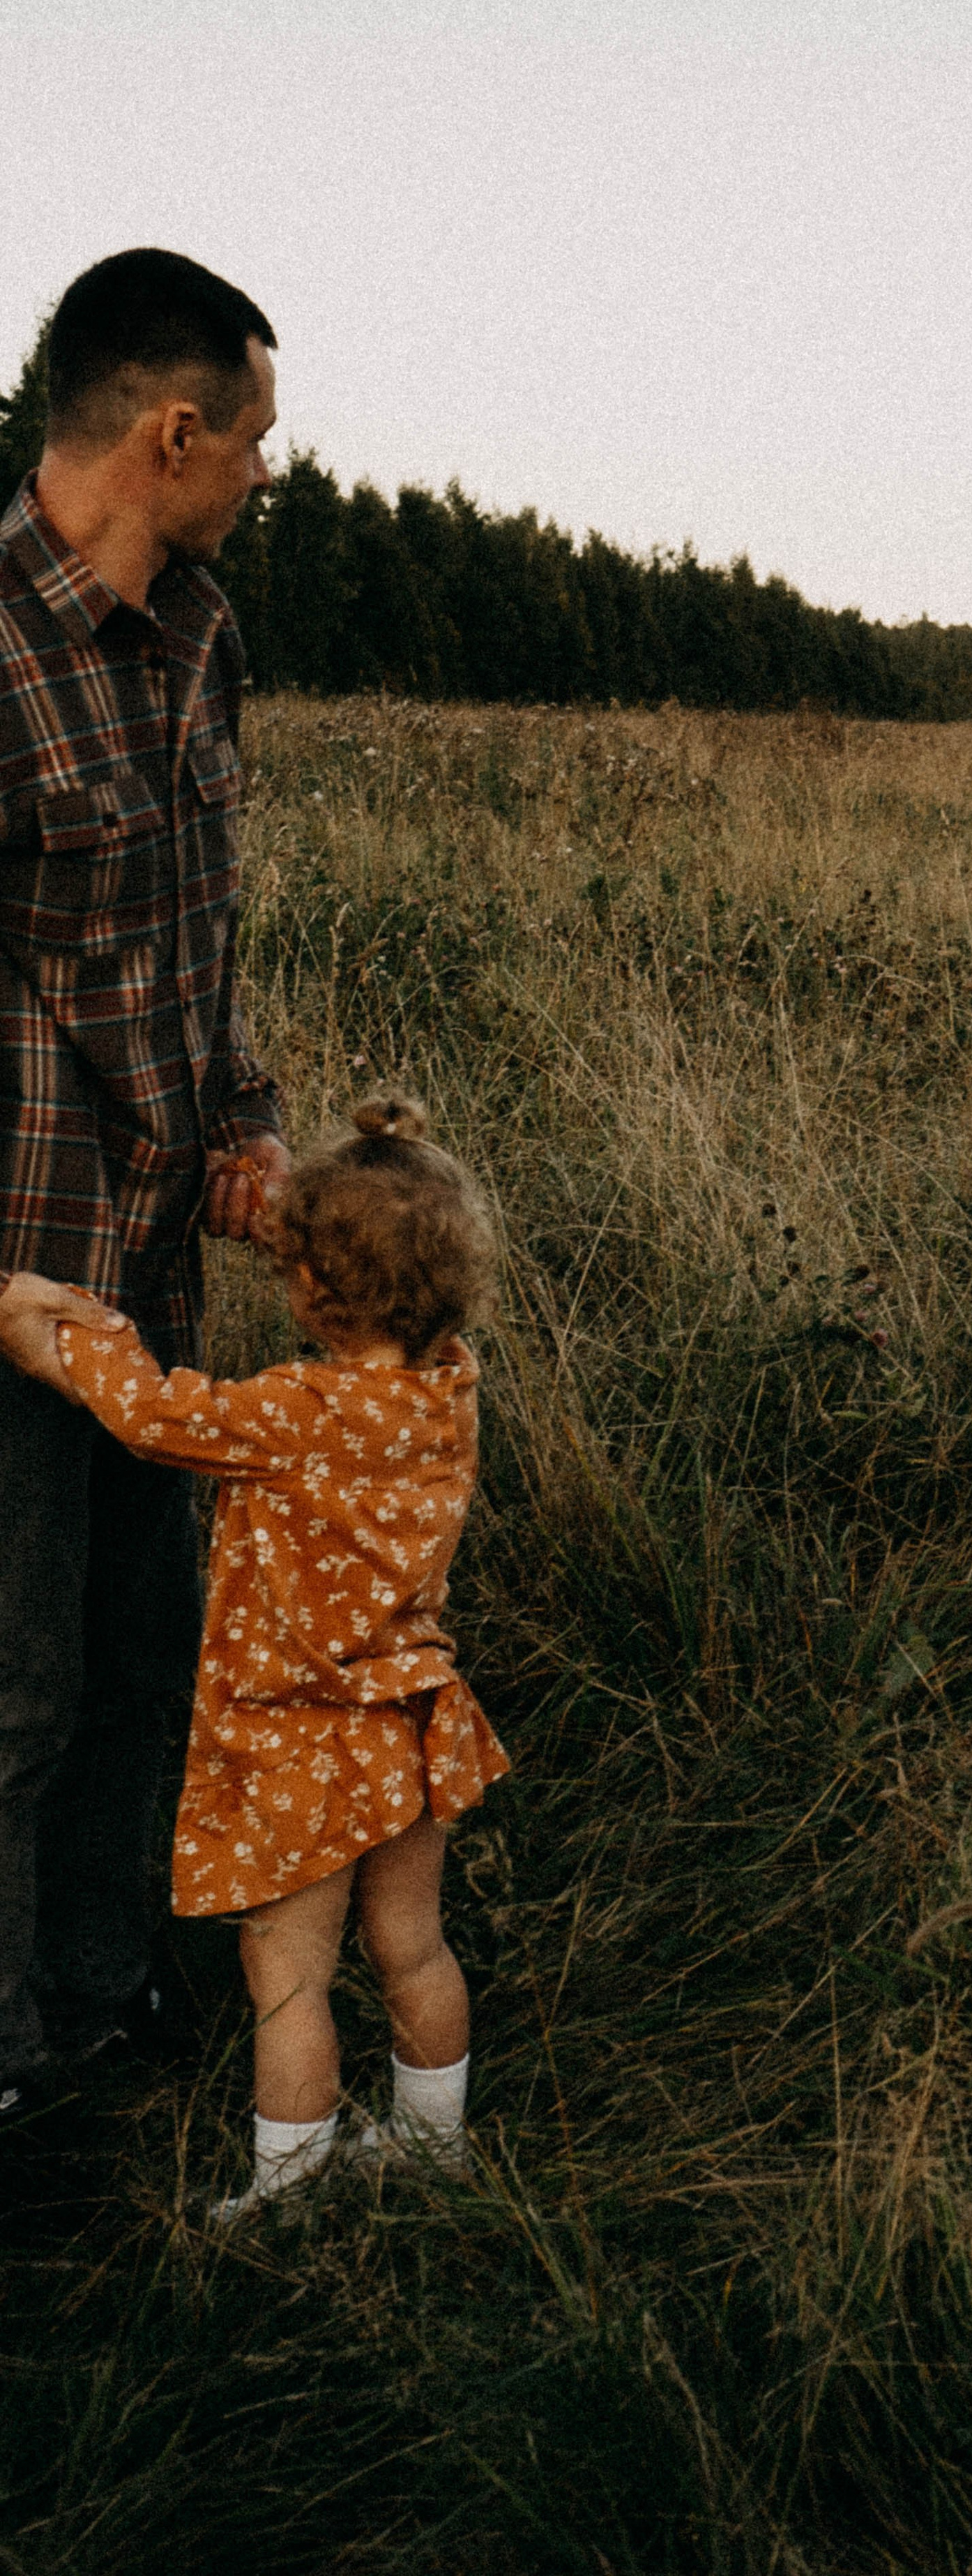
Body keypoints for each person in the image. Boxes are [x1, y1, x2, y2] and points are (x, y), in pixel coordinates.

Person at [0, 1095, 511, 2216]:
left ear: (316, 1291)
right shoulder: (450, 1391)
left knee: (288, 1980)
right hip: (412, 1718)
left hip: (301, 1736)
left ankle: (289, 2193)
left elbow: (154, 1418)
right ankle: (436, 2149)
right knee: (415, 1952)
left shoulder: (298, 1410)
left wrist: (78, 1342)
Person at [0, 249, 289, 2118]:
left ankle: (104, 2008)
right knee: (8, 1698)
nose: (268, 475)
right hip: (18, 1282)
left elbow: (199, 933)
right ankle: (6, 2074)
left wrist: (246, 1118)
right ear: (172, 432)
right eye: (255, 439)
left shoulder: (201, 638)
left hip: (160, 1269)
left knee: (133, 1662)